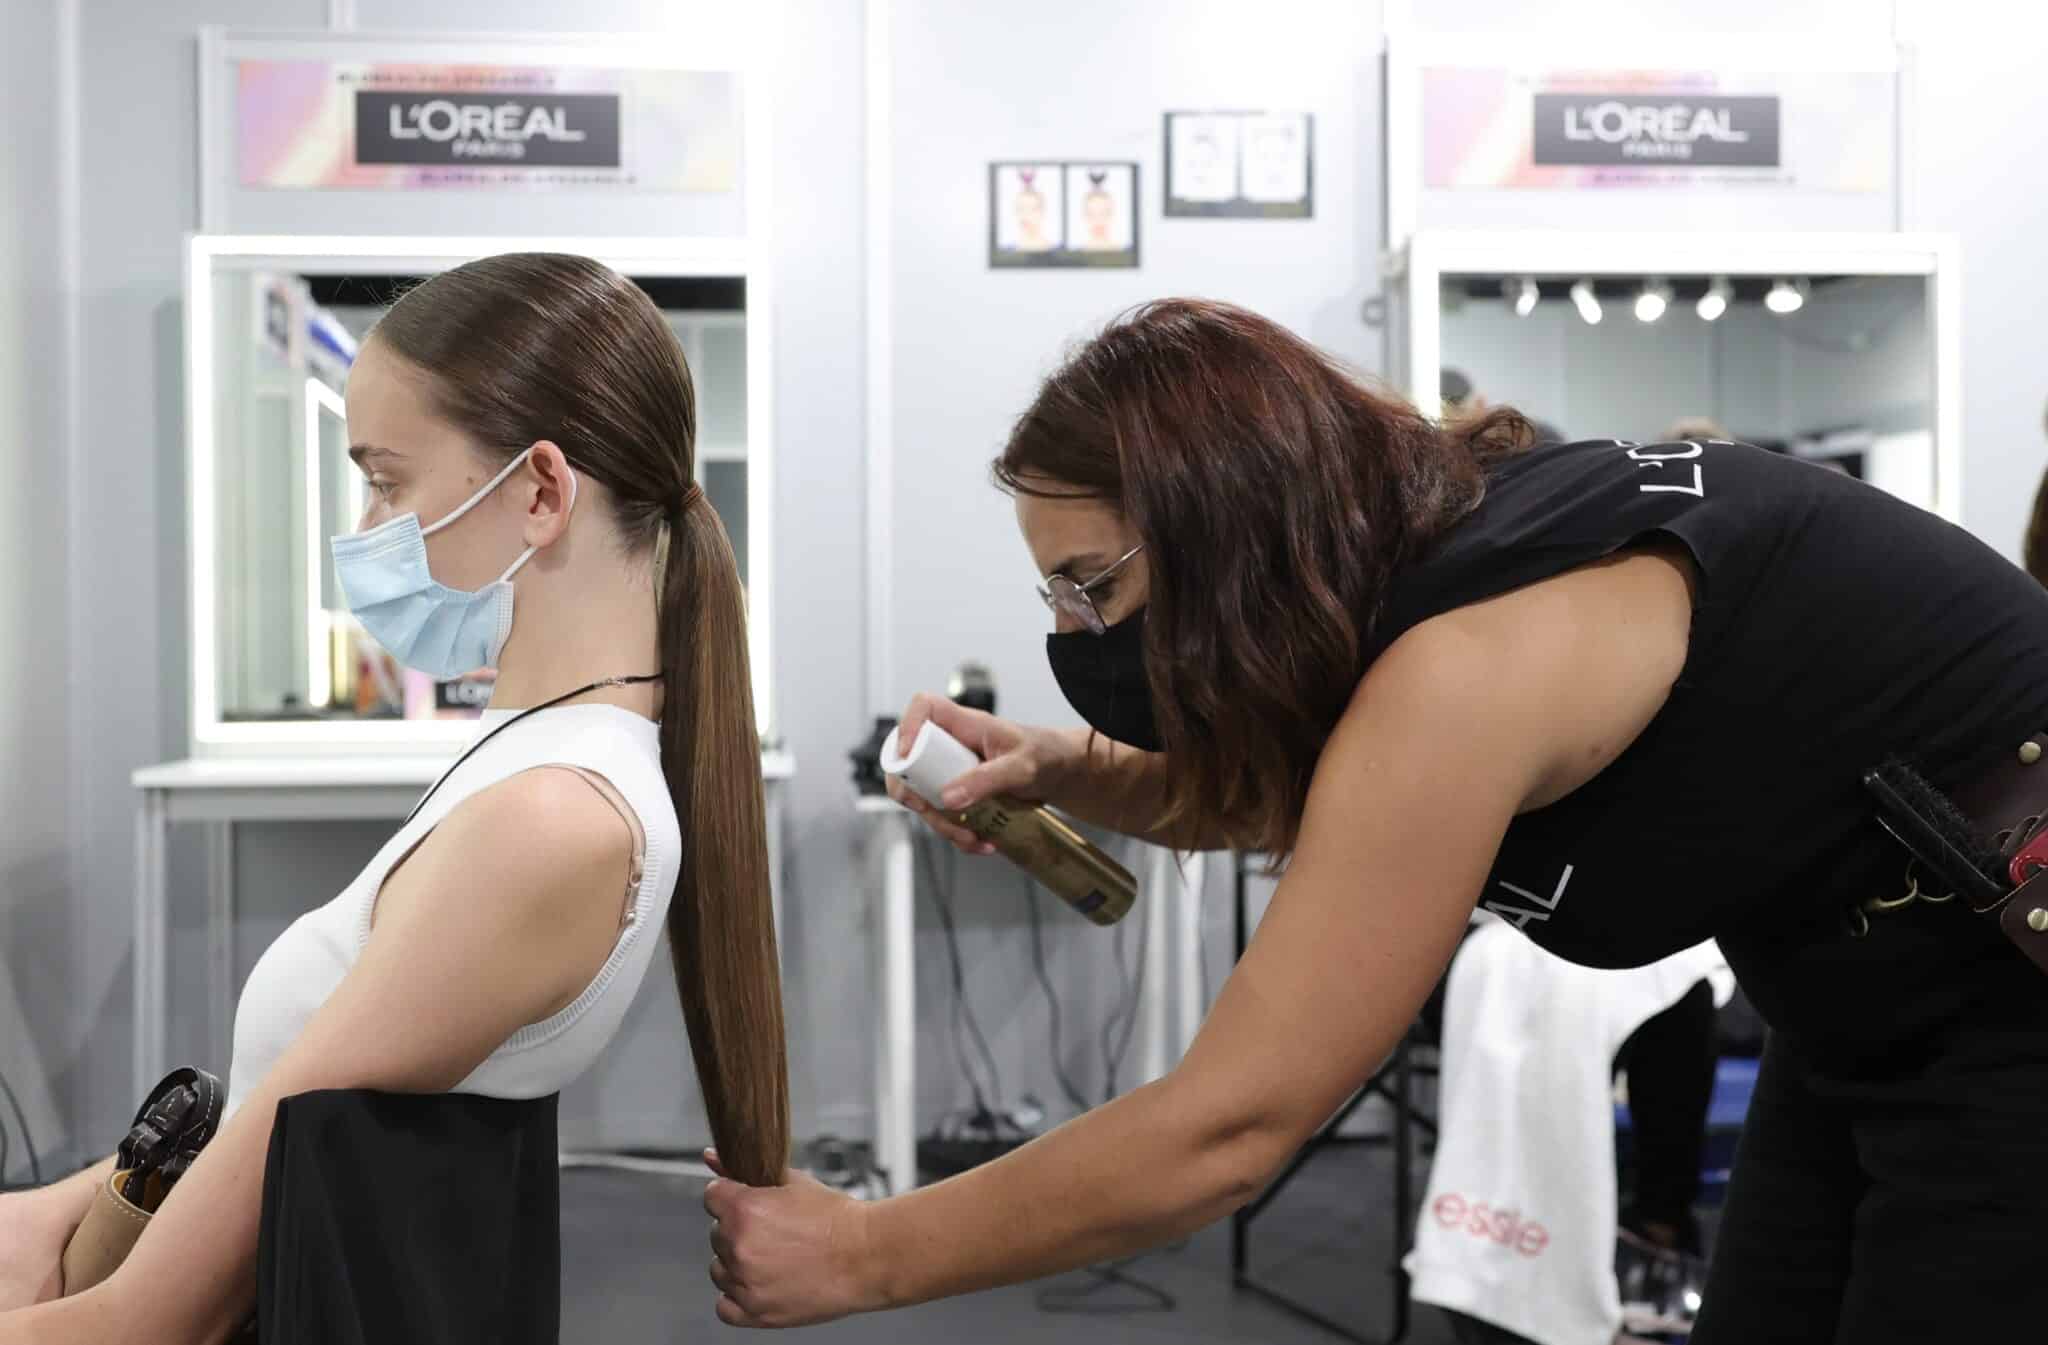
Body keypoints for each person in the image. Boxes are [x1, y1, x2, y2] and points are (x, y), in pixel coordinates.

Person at [703, 299, 2048, 1342]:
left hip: (2010, 1017)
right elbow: (1320, 809)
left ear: (1226, 529)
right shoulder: (1435, 572)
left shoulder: (1470, 660)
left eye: (1090, 587)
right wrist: (1063, 766)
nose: (1077, 632)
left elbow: (1231, 1128)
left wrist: (860, 1253)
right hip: (1869, 1020)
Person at [0, 253, 788, 1340]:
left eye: (386, 478)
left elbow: (148, 1323)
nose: (367, 526)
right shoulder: (530, 760)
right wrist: (57, 1212)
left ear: (541, 491)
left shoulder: (551, 819)